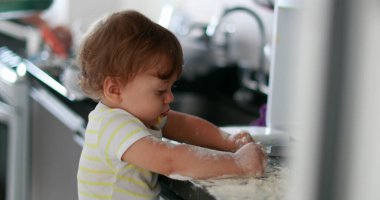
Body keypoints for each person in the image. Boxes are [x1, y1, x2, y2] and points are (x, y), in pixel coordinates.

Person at [77, 10, 267, 200]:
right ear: (115, 90)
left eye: (171, 87)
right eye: (160, 91)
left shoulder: (140, 116)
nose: (170, 97)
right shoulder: (113, 125)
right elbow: (171, 160)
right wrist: (239, 164)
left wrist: (227, 141)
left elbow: (186, 126)